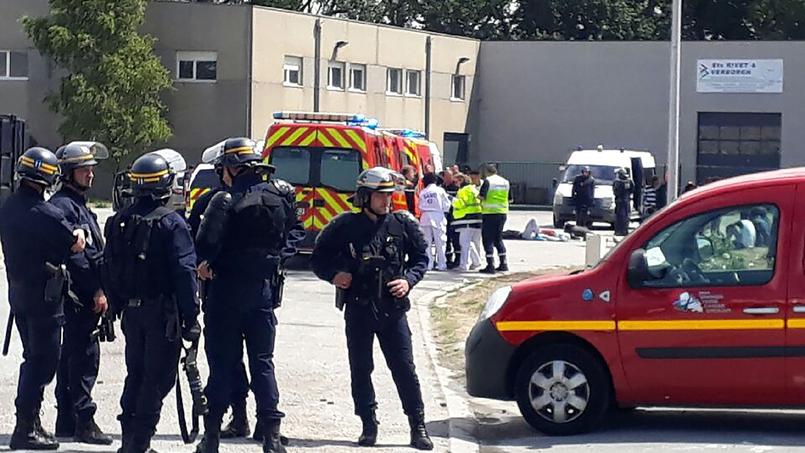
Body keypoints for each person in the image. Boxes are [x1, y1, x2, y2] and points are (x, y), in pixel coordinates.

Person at [310, 167, 433, 450]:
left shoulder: (402, 224)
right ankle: (368, 423)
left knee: (404, 368)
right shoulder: (344, 226)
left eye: (389, 195)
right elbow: (318, 259)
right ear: (365, 196)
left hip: (393, 310)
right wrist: (335, 276)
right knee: (361, 368)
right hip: (359, 308)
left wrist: (409, 280)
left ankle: (418, 425)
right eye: (380, 195)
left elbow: (420, 259)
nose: (386, 200)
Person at [194, 138, 304, 453]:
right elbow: (293, 233)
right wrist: (275, 260)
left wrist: (205, 265)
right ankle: (270, 436)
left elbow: (203, 245)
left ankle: (211, 436)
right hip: (262, 291)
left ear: (232, 168)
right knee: (263, 362)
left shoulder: (221, 200)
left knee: (221, 363)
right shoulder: (279, 196)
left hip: (225, 292)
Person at [103, 151, 200, 453]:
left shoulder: (117, 221)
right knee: (157, 380)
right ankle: (139, 443)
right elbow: (185, 273)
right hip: (162, 315)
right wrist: (191, 317)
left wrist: (115, 306)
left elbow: (108, 268)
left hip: (131, 315)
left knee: (137, 374)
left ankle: (129, 439)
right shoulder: (172, 224)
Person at [0, 147, 87, 451]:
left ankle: (30, 423)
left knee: (32, 357)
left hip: (19, 294)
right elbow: (75, 243)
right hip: (44, 298)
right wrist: (79, 233)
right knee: (43, 361)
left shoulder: (8, 207)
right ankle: (25, 427)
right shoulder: (46, 213)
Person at [50, 142, 113, 445]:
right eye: (84, 168)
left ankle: (67, 419)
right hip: (79, 297)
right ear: (68, 173)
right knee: (84, 358)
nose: (90, 173)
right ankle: (83, 421)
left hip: (77, 295)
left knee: (70, 357)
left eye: (91, 168)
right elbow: (78, 259)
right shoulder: (66, 206)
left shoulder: (77, 205)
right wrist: (97, 290)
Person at [478, 163, 510, 274]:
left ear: (486, 172)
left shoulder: (488, 181)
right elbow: (510, 199)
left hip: (489, 214)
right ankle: (503, 263)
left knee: (488, 239)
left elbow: (481, 196)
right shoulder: (505, 182)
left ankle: (490, 265)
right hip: (502, 213)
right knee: (498, 238)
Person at [419, 173, 451, 271]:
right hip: (437, 215)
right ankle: (442, 265)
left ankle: (429, 264)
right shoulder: (440, 190)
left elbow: (419, 205)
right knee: (440, 241)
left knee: (426, 241)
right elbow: (446, 204)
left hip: (425, 216)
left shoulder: (423, 192)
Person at [452, 171, 483, 271]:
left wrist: (451, 200)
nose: (455, 184)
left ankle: (463, 265)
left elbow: (461, 204)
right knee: (472, 243)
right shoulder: (474, 189)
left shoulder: (463, 190)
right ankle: (476, 262)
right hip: (477, 219)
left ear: (461, 181)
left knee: (464, 243)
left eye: (456, 182)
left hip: (466, 219)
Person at [440, 171, 461, 269]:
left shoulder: (456, 188)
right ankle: (448, 259)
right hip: (444, 217)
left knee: (456, 239)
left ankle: (458, 259)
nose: (447, 178)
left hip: (455, 216)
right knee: (446, 239)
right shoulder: (441, 188)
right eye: (446, 176)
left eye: (449, 176)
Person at [612, 168, 633, 236]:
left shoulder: (618, 181)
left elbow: (615, 191)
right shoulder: (629, 181)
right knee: (625, 216)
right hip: (625, 200)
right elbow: (632, 190)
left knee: (620, 216)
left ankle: (620, 231)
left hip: (620, 201)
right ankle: (623, 230)